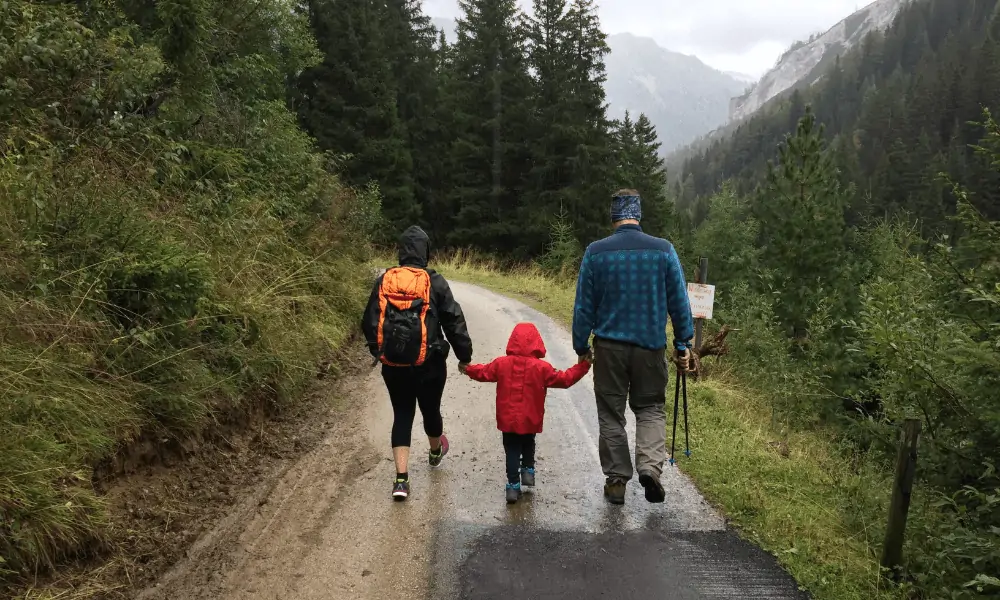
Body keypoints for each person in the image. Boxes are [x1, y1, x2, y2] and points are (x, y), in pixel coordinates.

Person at [571, 189, 694, 506]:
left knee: (611, 414)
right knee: (651, 408)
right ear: (638, 214)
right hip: (650, 348)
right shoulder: (663, 251)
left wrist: (581, 344)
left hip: (610, 349)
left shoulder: (595, 253)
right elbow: (679, 303)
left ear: (613, 216)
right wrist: (683, 343)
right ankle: (650, 469)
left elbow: (584, 307)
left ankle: (616, 481)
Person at [362, 226, 473, 501]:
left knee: (402, 415)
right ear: (426, 251)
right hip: (430, 364)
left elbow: (369, 321)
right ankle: (435, 451)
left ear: (401, 251)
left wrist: (381, 351)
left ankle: (401, 480)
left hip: (394, 365)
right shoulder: (434, 281)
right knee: (430, 410)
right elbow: (453, 320)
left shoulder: (385, 279)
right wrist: (464, 356)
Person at [463, 322, 591, 504]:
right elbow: (564, 379)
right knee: (529, 441)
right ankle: (528, 471)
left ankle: (513, 487)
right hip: (531, 417)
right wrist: (583, 366)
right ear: (537, 342)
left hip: (507, 418)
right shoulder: (542, 368)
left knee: (512, 449)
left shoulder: (502, 364)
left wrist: (467, 368)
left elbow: (484, 372)